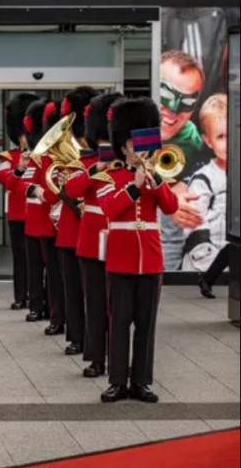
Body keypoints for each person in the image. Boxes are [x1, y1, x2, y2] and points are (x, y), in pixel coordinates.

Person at [98, 97, 179, 404]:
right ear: (122, 147)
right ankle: (117, 382)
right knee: (119, 324)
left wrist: (156, 182)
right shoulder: (112, 177)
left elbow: (171, 207)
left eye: (141, 144)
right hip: (120, 261)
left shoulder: (157, 176)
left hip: (151, 262)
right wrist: (133, 185)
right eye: (132, 144)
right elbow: (109, 208)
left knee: (146, 326)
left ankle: (141, 382)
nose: (138, 150)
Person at [64, 92, 124, 378]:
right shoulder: (86, 162)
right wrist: (93, 170)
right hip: (91, 241)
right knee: (96, 302)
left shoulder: (131, 166)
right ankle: (97, 357)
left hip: (120, 241)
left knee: (119, 306)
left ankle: (118, 357)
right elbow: (71, 190)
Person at [39, 87, 98, 356]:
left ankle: (95, 339)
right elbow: (57, 191)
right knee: (72, 288)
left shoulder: (101, 160)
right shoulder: (66, 159)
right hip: (71, 229)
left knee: (94, 293)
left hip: (95, 231)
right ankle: (76, 335)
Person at [12, 100, 59, 331]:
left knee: (52, 270)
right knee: (33, 268)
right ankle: (36, 305)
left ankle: (52, 310)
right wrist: (22, 171)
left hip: (49, 220)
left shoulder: (51, 158)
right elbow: (19, 185)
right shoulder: (32, 157)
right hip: (33, 219)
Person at [158, 50, 208, 269]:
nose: (173, 110)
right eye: (166, 94)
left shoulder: (197, 142)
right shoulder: (128, 129)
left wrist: (184, 182)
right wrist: (168, 196)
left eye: (186, 102)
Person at [0, 93, 38, 309]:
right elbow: (4, 179)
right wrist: (20, 168)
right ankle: (21, 295)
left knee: (38, 261)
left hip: (38, 215)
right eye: (22, 134)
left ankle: (37, 296)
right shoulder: (8, 157)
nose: (24, 138)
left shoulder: (44, 156)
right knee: (21, 259)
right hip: (18, 214)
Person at [182, 94, 227, 273]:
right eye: (221, 136)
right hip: (203, 269)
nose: (229, 141)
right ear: (208, 141)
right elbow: (194, 228)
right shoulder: (204, 179)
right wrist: (214, 268)